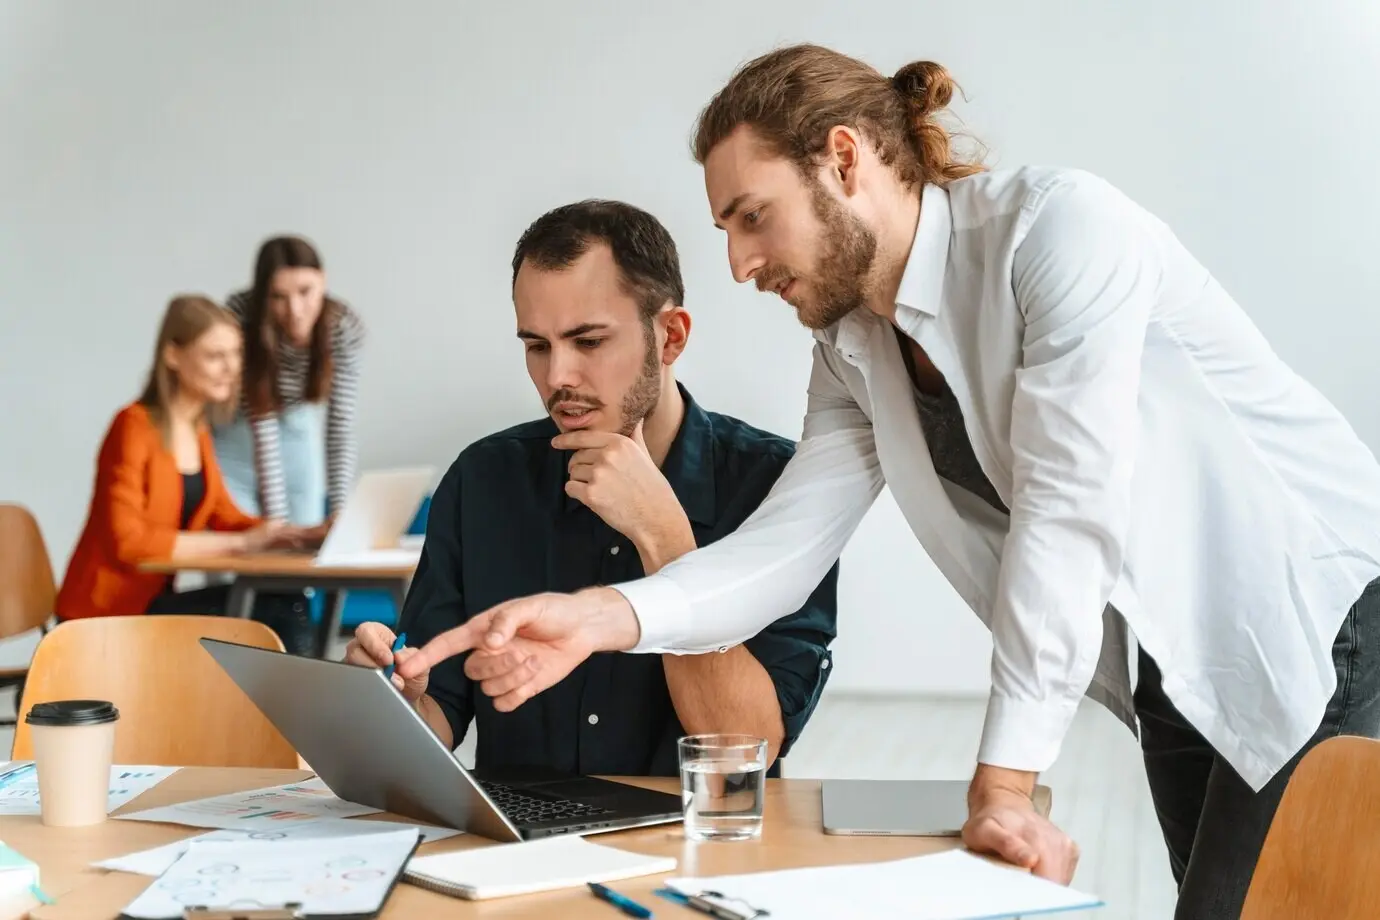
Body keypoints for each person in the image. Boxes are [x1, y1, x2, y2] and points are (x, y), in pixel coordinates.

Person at [399, 45, 1380, 919]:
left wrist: (999, 785)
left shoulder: (1059, 233)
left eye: (753, 218)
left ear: (842, 158)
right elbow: (780, 550)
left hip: (1320, 619)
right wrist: (597, 616)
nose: (738, 262)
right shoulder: (854, 348)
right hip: (1173, 669)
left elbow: (1067, 515)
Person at [345, 199, 839, 777]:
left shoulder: (775, 487)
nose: (558, 377)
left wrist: (663, 538)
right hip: (516, 854)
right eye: (537, 345)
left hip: (692, 848)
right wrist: (392, 704)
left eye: (589, 342)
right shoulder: (483, 481)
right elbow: (441, 714)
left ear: (670, 338)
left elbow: (744, 749)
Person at [55, 295, 312, 644]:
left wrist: (296, 534)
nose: (231, 367)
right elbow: (128, 543)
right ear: (173, 355)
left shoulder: (197, 429)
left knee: (284, 602)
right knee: (275, 609)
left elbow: (224, 516)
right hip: (106, 612)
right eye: (215, 356)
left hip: (149, 605)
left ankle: (290, 700)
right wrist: (240, 543)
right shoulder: (132, 426)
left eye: (235, 354)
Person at [214, 235, 366, 530]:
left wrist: (340, 512)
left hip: (298, 429)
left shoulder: (344, 328)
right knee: (240, 550)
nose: (295, 309)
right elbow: (262, 418)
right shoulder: (240, 314)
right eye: (278, 297)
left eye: (306, 291)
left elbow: (340, 426)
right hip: (239, 431)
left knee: (304, 554)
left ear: (323, 280)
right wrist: (277, 526)